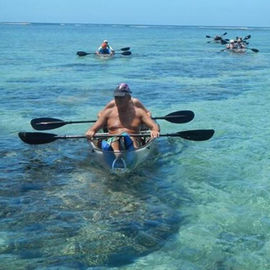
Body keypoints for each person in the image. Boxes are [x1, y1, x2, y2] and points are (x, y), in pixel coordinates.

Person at [86, 83, 160, 153]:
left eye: (121, 97)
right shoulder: (108, 112)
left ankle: (122, 155)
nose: (118, 100)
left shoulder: (139, 112)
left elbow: (154, 126)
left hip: (134, 140)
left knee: (128, 138)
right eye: (116, 97)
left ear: (128, 98)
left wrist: (155, 130)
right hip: (112, 140)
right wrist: (91, 131)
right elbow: (93, 128)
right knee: (115, 140)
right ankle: (116, 154)